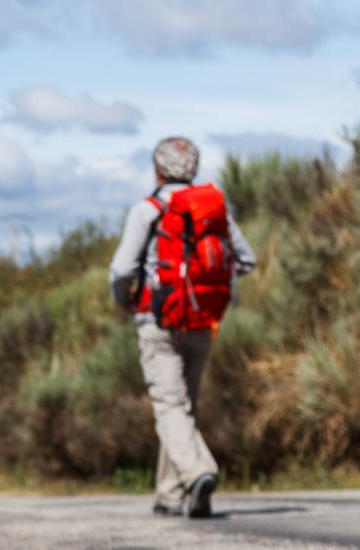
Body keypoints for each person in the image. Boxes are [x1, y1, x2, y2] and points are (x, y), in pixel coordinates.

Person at [108, 136, 256, 519]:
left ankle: (198, 472)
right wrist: (207, 284)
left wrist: (125, 298)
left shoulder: (148, 210)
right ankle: (170, 495)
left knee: (169, 405)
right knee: (184, 406)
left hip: (158, 320)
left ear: (158, 169)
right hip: (204, 319)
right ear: (193, 168)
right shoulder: (212, 209)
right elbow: (247, 259)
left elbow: (122, 269)